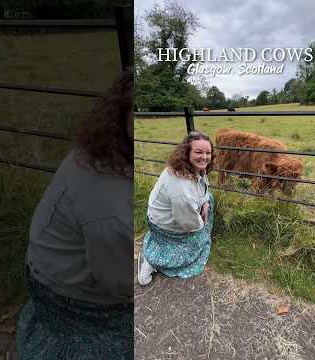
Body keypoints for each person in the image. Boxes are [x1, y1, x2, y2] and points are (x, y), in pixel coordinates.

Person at [16, 71, 134, 359]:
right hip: (70, 296)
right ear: (123, 112)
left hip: (49, 268)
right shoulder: (112, 207)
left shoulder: (104, 150)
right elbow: (122, 284)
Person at [137, 131, 216, 285]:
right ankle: (152, 261)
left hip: (170, 215)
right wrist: (202, 226)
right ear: (187, 153)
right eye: (198, 152)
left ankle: (158, 250)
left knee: (210, 199)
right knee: (199, 242)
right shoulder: (181, 188)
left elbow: (203, 188)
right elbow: (187, 223)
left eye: (208, 153)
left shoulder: (190, 167)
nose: (204, 157)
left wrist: (205, 203)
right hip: (166, 224)